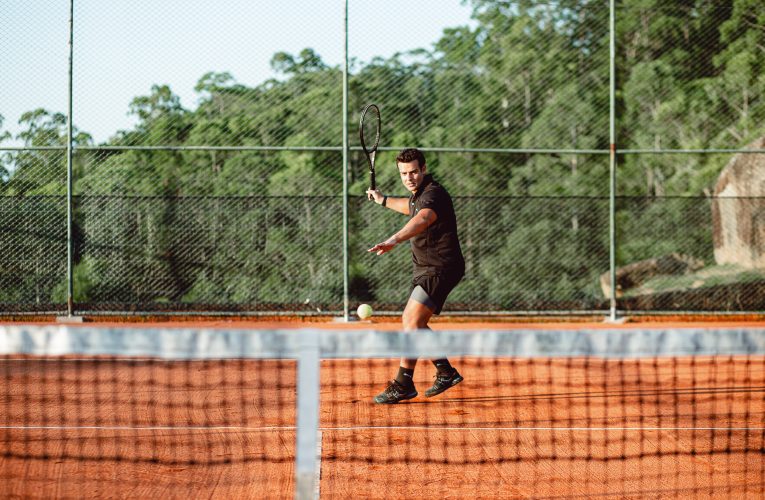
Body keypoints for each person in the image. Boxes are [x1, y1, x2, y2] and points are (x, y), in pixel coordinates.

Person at [366, 148, 465, 404]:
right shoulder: (417, 195)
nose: (409, 177)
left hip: (440, 267)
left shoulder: (433, 194)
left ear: (423, 169)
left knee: (410, 318)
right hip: (427, 268)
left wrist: (393, 239)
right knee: (416, 323)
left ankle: (403, 383)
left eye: (413, 172)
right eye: (404, 173)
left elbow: (421, 218)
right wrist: (383, 199)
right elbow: (409, 207)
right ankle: (445, 372)